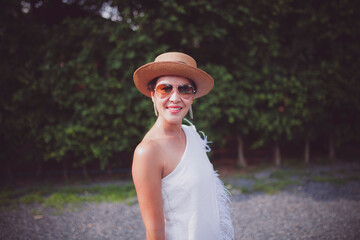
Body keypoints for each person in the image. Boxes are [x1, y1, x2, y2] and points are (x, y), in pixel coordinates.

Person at [132, 52, 234, 240]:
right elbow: (154, 233)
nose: (175, 98)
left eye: (185, 89)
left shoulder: (192, 134)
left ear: (192, 97)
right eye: (165, 88)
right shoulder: (147, 152)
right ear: (152, 94)